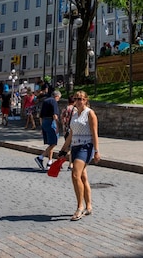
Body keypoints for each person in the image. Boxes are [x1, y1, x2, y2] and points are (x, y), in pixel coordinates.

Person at [57, 90, 101, 220]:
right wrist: (63, 150)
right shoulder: (75, 115)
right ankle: (89, 206)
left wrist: (97, 151)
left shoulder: (90, 113)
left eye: (81, 99)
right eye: (76, 99)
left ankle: (79, 207)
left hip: (86, 147)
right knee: (83, 177)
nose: (79, 101)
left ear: (86, 100)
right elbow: (71, 134)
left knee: (75, 174)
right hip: (75, 147)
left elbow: (95, 133)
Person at [35, 90, 62, 172]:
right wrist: (58, 126)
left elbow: (40, 115)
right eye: (59, 98)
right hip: (51, 122)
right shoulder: (53, 101)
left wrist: (41, 126)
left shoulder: (45, 101)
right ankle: (40, 157)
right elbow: (55, 115)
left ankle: (49, 162)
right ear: (57, 96)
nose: (58, 100)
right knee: (54, 142)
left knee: (51, 143)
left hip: (44, 122)